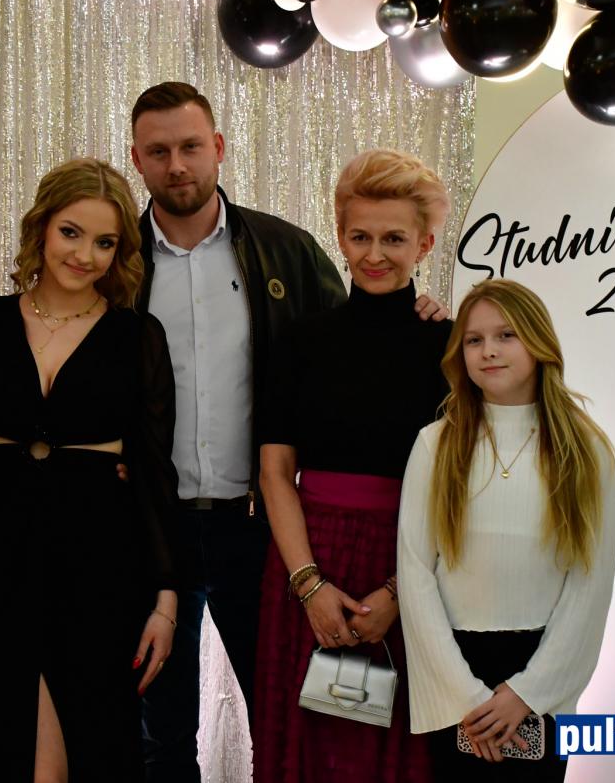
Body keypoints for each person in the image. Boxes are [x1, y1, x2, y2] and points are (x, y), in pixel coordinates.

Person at [130, 82, 450, 782]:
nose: (177, 164)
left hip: (262, 536)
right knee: (158, 731)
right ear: (137, 158)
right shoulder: (118, 258)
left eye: (191, 146)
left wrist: (424, 314)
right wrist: (310, 581)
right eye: (159, 151)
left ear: (218, 147)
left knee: (313, 726)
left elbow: (367, 350)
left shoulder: (285, 250)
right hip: (159, 529)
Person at [0, 158, 179, 783]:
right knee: (19, 745)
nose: (85, 255)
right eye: (71, 232)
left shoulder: (137, 335)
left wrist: (166, 598)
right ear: (42, 227)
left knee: (96, 742)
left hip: (102, 565)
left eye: (104, 242)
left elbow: (154, 471)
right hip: (1, 557)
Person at [253, 149, 451, 782]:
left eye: (394, 239)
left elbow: (459, 490)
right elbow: (275, 473)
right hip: (309, 562)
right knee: (306, 754)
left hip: (411, 562)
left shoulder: (451, 347)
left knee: (393, 759)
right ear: (339, 237)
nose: (375, 254)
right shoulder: (300, 341)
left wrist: (400, 593)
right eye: (360, 236)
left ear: (424, 244)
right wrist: (309, 586)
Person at [397, 278, 615, 782]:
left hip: (543, 673)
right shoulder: (435, 444)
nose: (489, 351)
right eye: (474, 340)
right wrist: (466, 697)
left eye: (506, 335)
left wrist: (528, 692)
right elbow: (415, 573)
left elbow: (591, 584)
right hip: (455, 672)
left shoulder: (586, 450)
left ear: (539, 342)